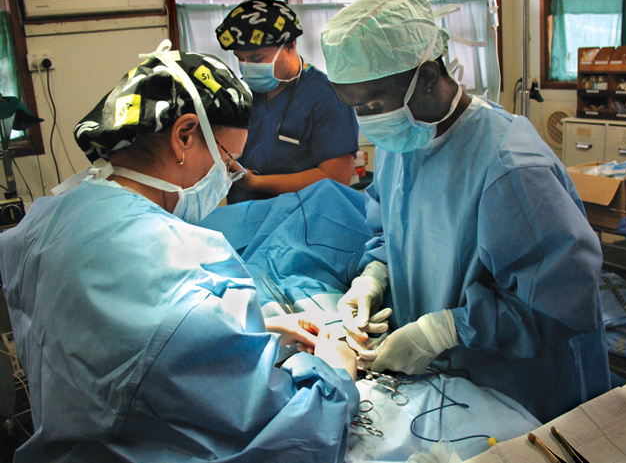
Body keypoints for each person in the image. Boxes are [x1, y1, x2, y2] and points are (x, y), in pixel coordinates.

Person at [0, 40, 358, 462]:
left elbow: (119, 350)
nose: (229, 179)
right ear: (184, 136)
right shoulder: (178, 261)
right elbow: (288, 434)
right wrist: (336, 376)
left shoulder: (46, 217)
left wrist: (252, 339)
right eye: (228, 163)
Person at [320, 0, 611, 423]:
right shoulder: (404, 142)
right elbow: (391, 231)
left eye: (373, 105)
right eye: (354, 108)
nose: (365, 120)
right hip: (451, 381)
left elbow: (562, 304)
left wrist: (447, 329)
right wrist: (374, 277)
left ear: (429, 76)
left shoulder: (510, 168)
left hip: (525, 393)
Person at [215, 0, 360, 204]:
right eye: (240, 59)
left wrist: (256, 182)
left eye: (256, 59)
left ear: (290, 45)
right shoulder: (239, 94)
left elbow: (335, 178)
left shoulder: (327, 97)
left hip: (304, 220)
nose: (247, 67)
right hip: (243, 215)